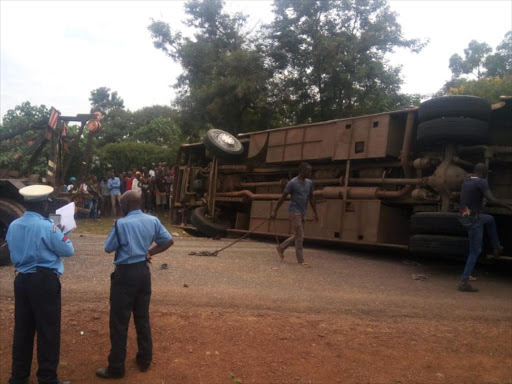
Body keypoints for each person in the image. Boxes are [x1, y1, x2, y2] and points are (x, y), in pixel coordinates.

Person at [96, 191, 173, 379]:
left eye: (122, 204)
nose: (120, 207)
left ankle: (116, 368)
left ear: (127, 205)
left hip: (125, 274)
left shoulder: (121, 224)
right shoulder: (153, 220)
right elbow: (168, 241)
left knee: (119, 322)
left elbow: (108, 247)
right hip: (143, 273)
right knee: (142, 318)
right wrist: (150, 252)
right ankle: (144, 360)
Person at [6, 185, 75, 384]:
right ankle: (47, 378)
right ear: (44, 204)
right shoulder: (48, 226)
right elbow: (68, 250)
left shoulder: (14, 225)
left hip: (22, 280)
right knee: (48, 330)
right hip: (44, 281)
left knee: (23, 330)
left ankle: (18, 377)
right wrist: (63, 231)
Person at [457, 163, 512, 292]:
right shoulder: (481, 182)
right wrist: (507, 206)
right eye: (487, 172)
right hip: (473, 220)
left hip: (463, 216)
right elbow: (491, 199)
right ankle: (463, 282)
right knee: (475, 251)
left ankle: (497, 246)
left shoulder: (467, 179)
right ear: (484, 172)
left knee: (490, 219)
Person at [270, 162, 318, 267]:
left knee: (297, 235)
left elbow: (311, 198)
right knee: (300, 236)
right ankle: (301, 261)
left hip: (303, 212)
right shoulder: (292, 183)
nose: (310, 173)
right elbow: (282, 197)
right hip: (294, 211)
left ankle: (281, 247)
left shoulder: (309, 183)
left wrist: (315, 213)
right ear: (301, 171)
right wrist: (275, 211)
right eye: (308, 170)